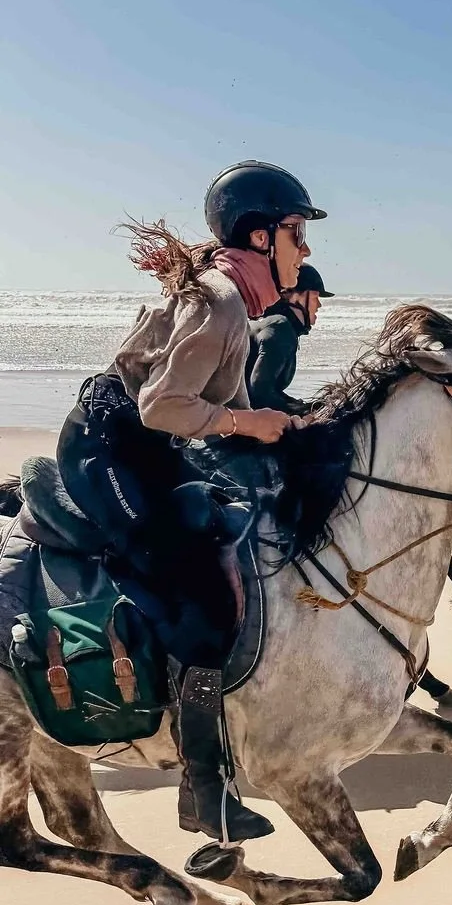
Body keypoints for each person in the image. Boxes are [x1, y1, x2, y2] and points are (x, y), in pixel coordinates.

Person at [56, 161, 327, 841]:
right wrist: (246, 423)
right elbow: (162, 406)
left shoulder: (234, 297)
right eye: (297, 233)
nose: (305, 250)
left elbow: (228, 398)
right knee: (203, 600)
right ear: (261, 237)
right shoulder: (223, 301)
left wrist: (288, 430)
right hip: (111, 449)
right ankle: (203, 792)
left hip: (147, 445)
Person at [246, 264, 334, 414]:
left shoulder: (272, 323)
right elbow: (259, 393)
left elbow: (265, 392)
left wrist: (303, 406)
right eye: (315, 297)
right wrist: (304, 413)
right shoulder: (280, 326)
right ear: (293, 296)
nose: (319, 305)